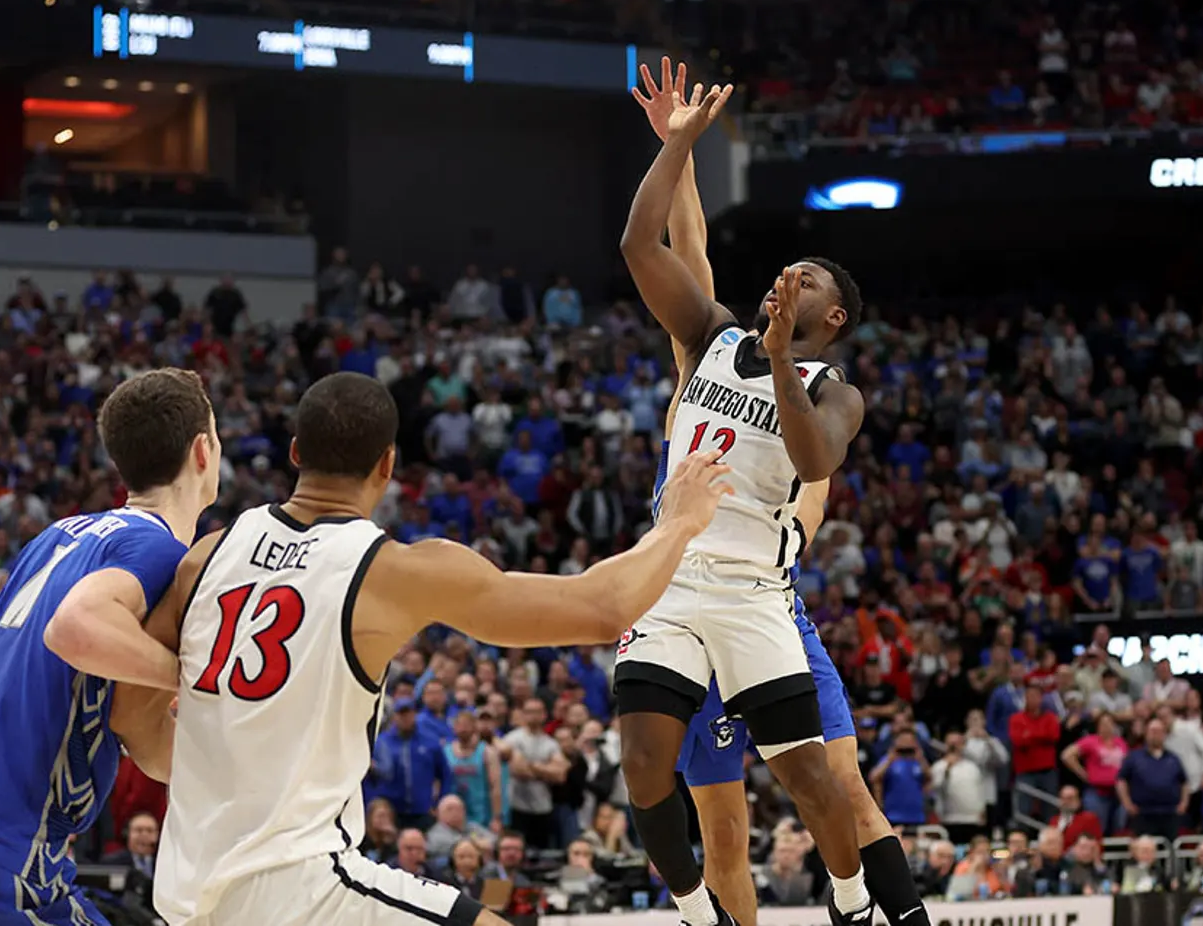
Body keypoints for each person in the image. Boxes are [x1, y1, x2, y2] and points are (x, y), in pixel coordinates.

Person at [124, 371, 732, 925]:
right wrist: (679, 522)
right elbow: (603, 610)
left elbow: (132, 716)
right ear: (388, 466)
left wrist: (229, 767)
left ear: (294, 454)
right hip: (301, 888)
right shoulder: (393, 570)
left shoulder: (207, 554)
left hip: (188, 888)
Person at [631, 59, 928, 926]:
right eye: (782, 274)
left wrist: (780, 362)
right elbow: (687, 251)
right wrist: (679, 149)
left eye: (806, 282)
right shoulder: (708, 351)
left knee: (839, 786)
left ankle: (874, 913)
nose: (783, 283)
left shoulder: (826, 395)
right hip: (675, 591)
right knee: (719, 826)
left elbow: (814, 471)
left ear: (831, 319)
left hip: (764, 596)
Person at [0, 368, 223, 925]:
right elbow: (73, 628)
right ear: (203, 451)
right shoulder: (157, 551)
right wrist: (192, 677)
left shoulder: (55, 538)